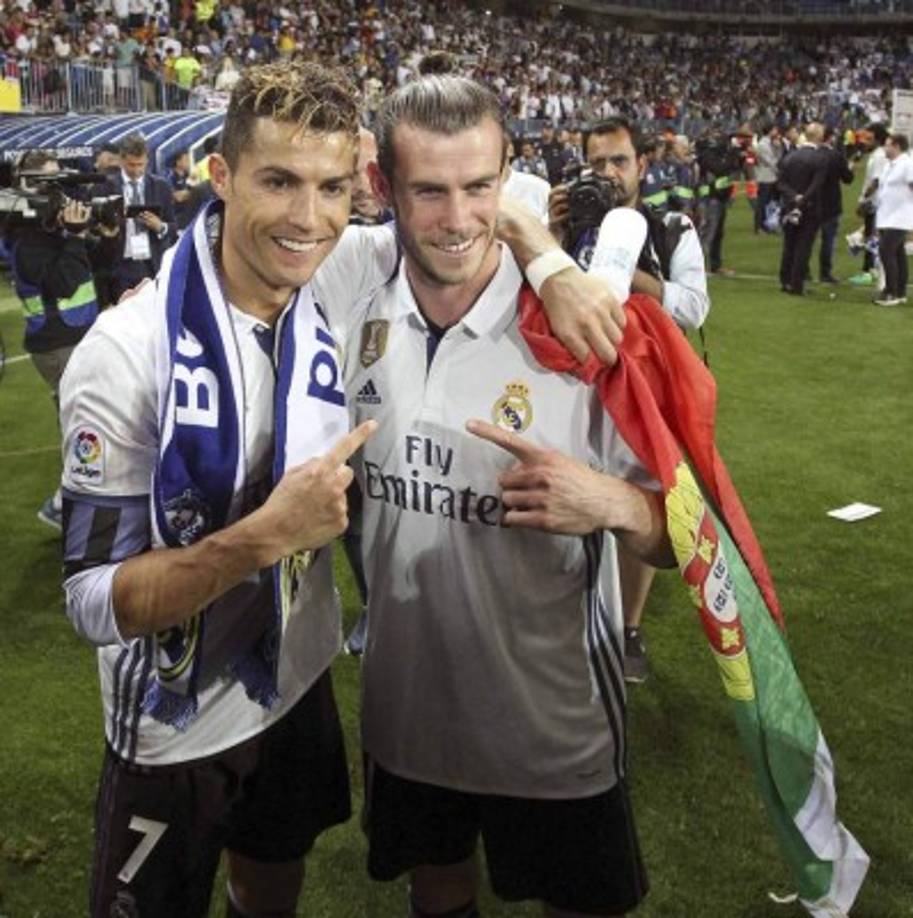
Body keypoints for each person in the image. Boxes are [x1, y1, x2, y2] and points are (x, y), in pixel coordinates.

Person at [60, 58, 628, 918]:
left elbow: (478, 194)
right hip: (173, 715)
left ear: (357, 187)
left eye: (329, 188)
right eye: (278, 181)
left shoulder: (345, 268)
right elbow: (93, 603)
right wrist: (262, 535)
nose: (306, 218)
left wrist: (550, 263)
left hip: (294, 683)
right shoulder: (128, 350)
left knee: (268, 885)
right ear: (220, 176)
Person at [347, 74, 673, 918]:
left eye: (477, 187)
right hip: (405, 717)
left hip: (554, 727)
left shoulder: (583, 331)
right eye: (428, 191)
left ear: (508, 179)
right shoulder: (342, 306)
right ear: (382, 187)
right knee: (435, 886)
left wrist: (609, 502)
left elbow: (699, 542)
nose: (457, 220)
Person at [548, 115, 709, 682]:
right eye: (596, 163)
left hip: (643, 386)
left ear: (642, 164)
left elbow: (693, 307)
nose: (608, 174)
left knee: (640, 500)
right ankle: (570, 610)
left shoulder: (671, 226)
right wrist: (554, 236)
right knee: (570, 491)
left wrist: (630, 268)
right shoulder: (569, 223)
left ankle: (629, 628)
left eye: (619, 161)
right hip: (572, 380)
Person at [10, 151, 119, 529]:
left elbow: (99, 263)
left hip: (75, 337)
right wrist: (73, 236)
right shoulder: (28, 242)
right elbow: (66, 281)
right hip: (57, 346)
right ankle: (64, 503)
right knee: (86, 421)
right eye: (50, 184)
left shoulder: (53, 233)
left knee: (86, 419)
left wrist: (104, 234)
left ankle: (73, 498)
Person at [95, 132, 177, 300]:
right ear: (121, 160)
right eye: (131, 165)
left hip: (151, 264)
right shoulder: (104, 188)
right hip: (120, 265)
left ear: (147, 159)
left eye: (141, 165)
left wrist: (161, 227)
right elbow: (95, 231)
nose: (136, 170)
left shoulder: (161, 187)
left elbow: (173, 227)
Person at [777, 122, 827, 297]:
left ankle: (785, 280)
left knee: (789, 244)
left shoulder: (790, 157)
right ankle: (797, 284)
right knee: (803, 247)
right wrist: (803, 198)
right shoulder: (820, 158)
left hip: (790, 205)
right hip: (810, 208)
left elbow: (780, 182)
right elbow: (817, 184)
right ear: (819, 137)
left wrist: (794, 197)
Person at [873, 132, 913, 306]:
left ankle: (891, 292)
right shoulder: (890, 165)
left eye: (888, 145)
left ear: (896, 146)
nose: (885, 148)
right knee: (898, 254)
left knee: (886, 251)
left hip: (900, 216)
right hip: (887, 215)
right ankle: (901, 291)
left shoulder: (907, 164)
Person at [816, 125, 854, 284]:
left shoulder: (812, 154)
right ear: (830, 137)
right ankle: (825, 273)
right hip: (831, 203)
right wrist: (850, 168)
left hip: (811, 201)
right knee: (828, 240)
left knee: (805, 239)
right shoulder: (836, 156)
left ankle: (801, 271)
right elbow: (848, 179)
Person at [753, 122, 781, 234]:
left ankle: (768, 224)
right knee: (762, 203)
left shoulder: (771, 143)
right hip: (765, 177)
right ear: (769, 130)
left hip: (771, 177)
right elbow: (771, 162)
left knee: (770, 203)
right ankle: (759, 226)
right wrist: (781, 171)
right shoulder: (763, 145)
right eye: (775, 129)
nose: (777, 132)